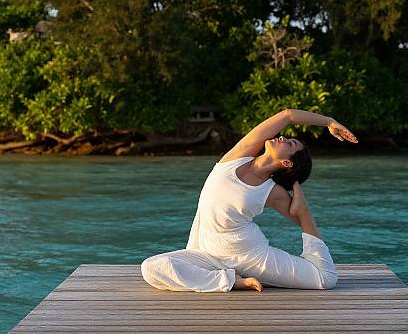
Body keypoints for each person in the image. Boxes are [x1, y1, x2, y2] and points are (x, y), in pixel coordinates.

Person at [141, 109, 358, 293]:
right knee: (151, 267)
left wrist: (304, 213)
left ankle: (234, 277)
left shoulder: (273, 192)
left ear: (286, 163)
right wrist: (329, 121)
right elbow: (288, 115)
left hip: (250, 256)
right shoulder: (238, 156)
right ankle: (231, 280)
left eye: (290, 143)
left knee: (325, 279)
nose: (282, 137)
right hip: (207, 254)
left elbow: (299, 221)